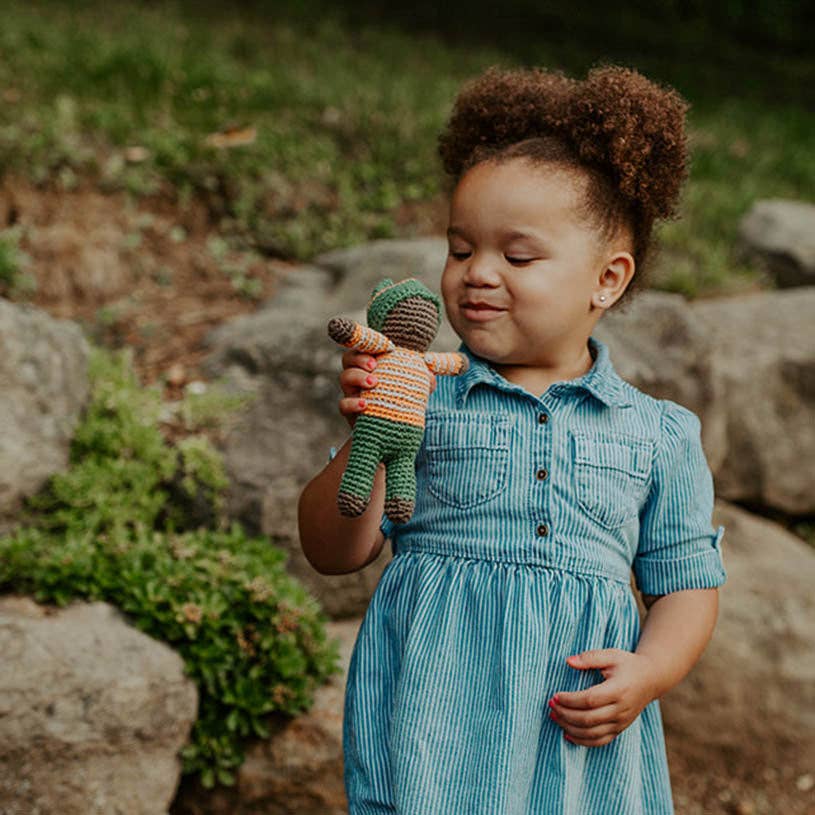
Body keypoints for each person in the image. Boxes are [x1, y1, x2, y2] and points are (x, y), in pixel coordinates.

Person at [298, 63, 727, 814]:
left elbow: (686, 582)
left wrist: (648, 672)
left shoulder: (657, 433)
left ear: (607, 278)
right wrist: (368, 435)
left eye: (516, 256)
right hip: (432, 730)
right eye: (460, 249)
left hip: (572, 747)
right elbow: (332, 552)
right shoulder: (423, 395)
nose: (476, 274)